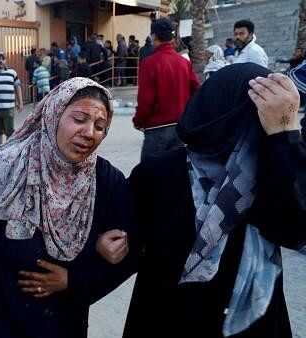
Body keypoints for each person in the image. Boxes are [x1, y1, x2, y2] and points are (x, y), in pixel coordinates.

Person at [0, 78, 136, 338]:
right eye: (79, 119)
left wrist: (75, 280)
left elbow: (130, 254)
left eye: (100, 126)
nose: (90, 132)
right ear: (54, 114)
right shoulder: (3, 168)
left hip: (61, 322)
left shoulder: (105, 182)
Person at [122, 63, 306, 337]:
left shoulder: (271, 173)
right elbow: (124, 246)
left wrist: (286, 133)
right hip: (172, 319)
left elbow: (297, 230)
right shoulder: (157, 175)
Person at [133, 18, 201, 160]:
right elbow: (197, 90)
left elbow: (146, 100)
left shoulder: (149, 64)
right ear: (172, 37)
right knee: (175, 173)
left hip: (157, 129)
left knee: (149, 175)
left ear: (154, 36)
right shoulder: (184, 62)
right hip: (180, 127)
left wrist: (138, 121)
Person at [0, 52, 24, 145]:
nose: (0, 61)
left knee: (10, 131)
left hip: (9, 108)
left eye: (3, 59)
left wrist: (20, 103)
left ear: (6, 60)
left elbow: (17, 87)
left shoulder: (12, 73)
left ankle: (9, 149)